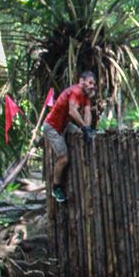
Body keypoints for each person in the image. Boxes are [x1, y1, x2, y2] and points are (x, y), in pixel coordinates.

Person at [43, 71, 97, 202]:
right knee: (63, 158)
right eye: (90, 83)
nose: (92, 86)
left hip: (64, 125)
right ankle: (56, 188)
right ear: (81, 81)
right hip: (52, 127)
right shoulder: (76, 91)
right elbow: (72, 111)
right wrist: (84, 127)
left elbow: (87, 112)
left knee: (80, 133)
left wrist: (87, 128)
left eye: (93, 84)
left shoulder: (86, 96)